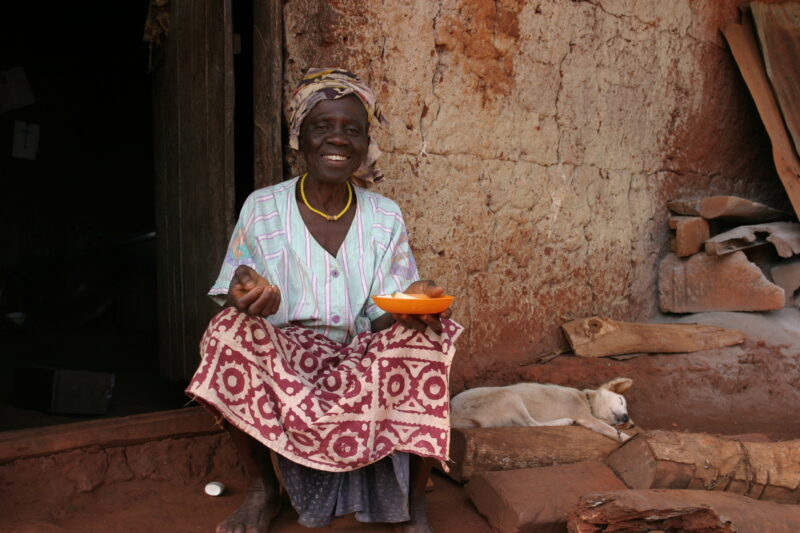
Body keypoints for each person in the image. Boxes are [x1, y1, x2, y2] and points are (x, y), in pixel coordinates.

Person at [186, 67, 462, 533]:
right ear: (300, 137)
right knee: (226, 333)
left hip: (360, 358)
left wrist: (412, 306)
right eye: (322, 127)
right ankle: (262, 490)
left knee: (432, 339)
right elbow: (239, 286)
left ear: (365, 144)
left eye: (352, 130)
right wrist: (246, 295)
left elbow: (383, 317)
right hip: (287, 359)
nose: (338, 139)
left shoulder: (384, 216)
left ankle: (414, 505)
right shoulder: (263, 207)